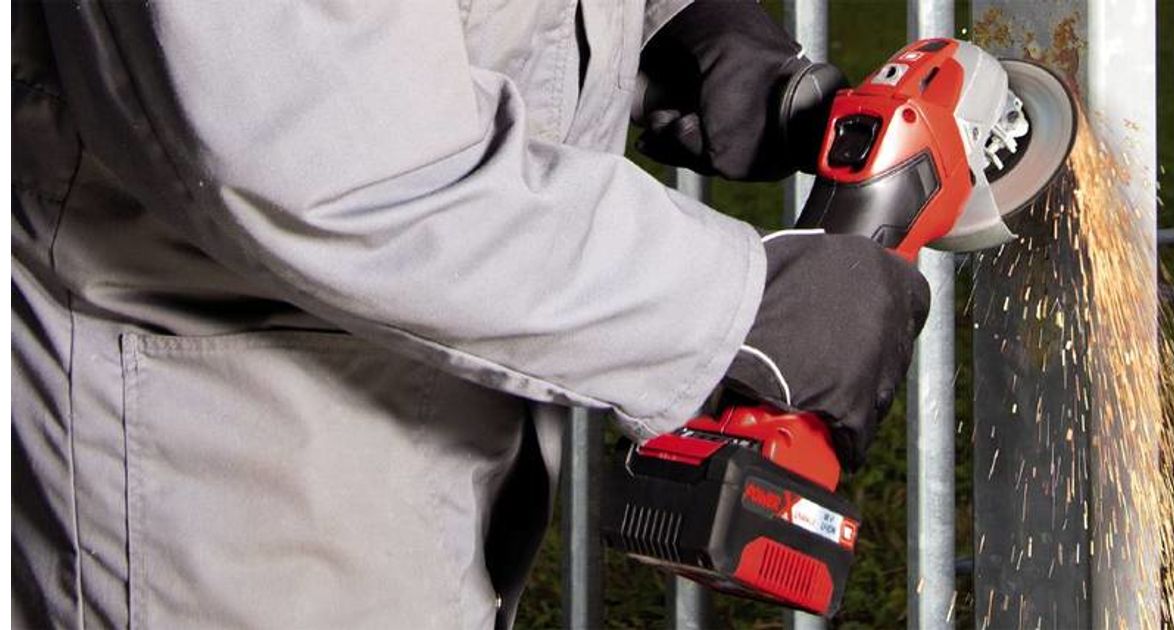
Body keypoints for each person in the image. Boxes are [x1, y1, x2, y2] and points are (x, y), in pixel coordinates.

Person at [12, 1, 929, 628]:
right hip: (226, 460)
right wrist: (740, 303)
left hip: (428, 395)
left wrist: (668, 26)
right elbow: (329, 156)